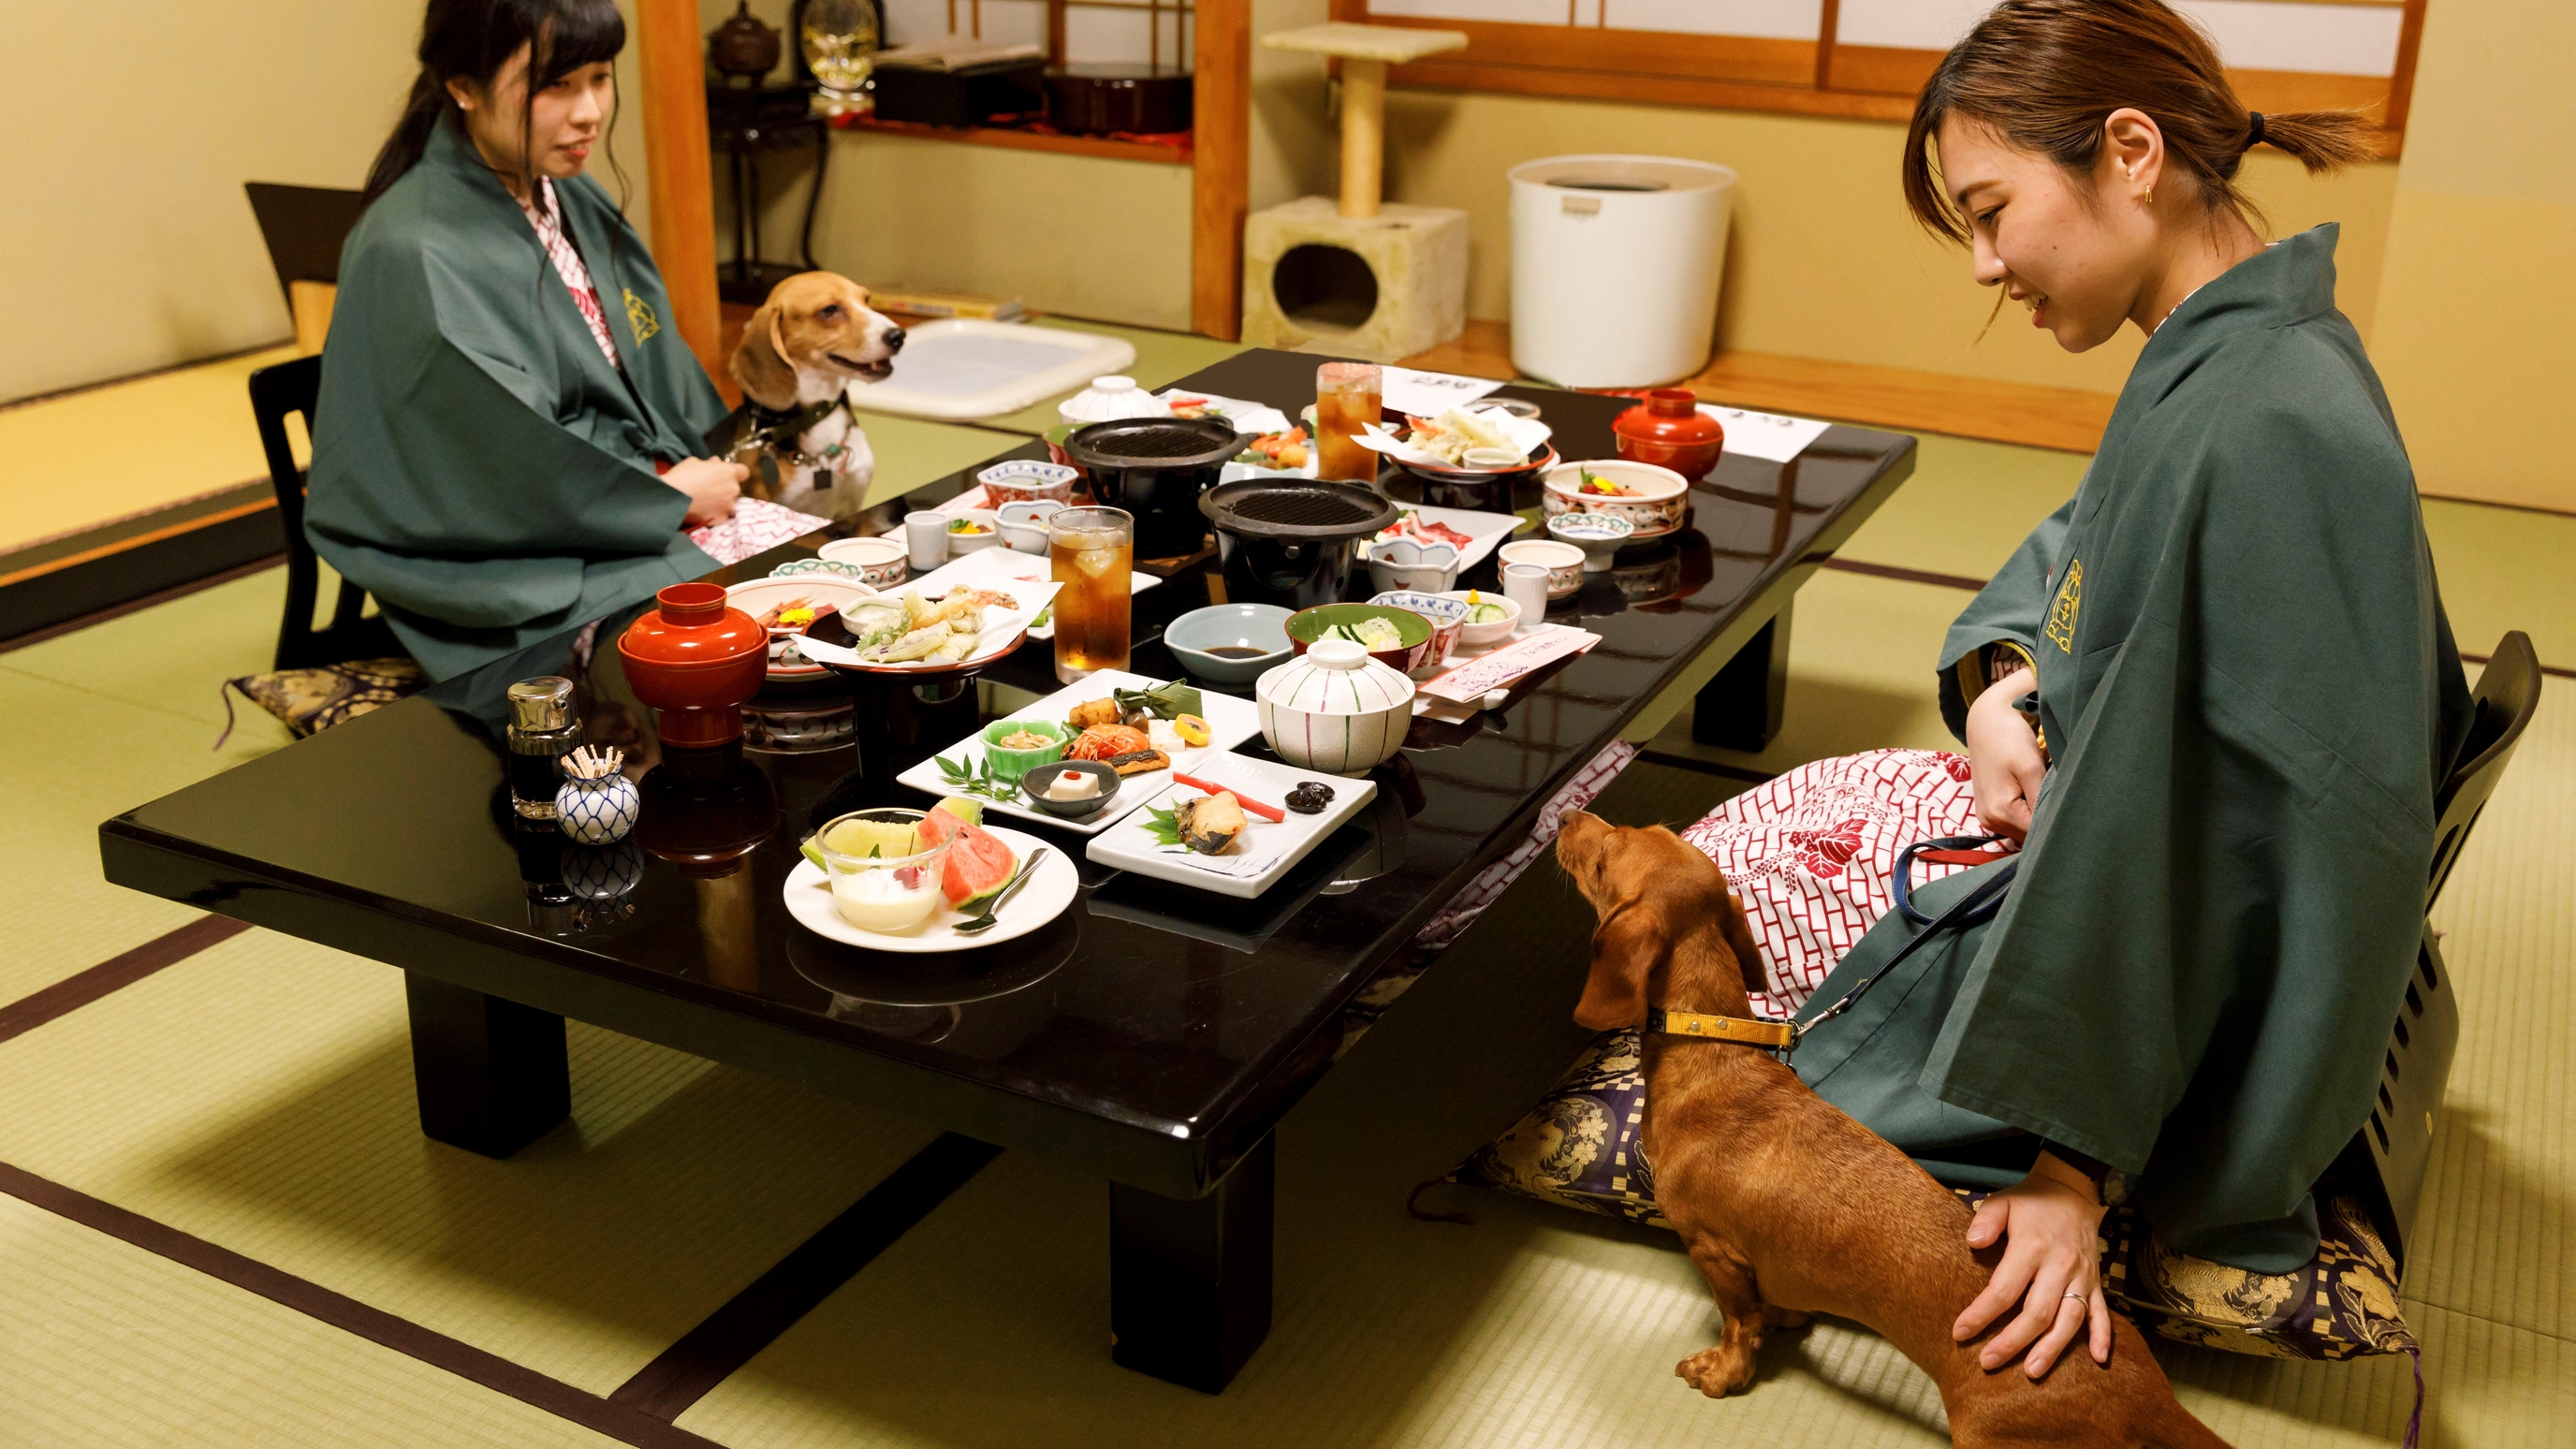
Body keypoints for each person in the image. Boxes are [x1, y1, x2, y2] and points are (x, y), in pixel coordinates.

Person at [1774, 0, 2473, 1383]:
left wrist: (2067, 1152)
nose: (1984, 265)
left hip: (2175, 945)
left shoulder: (2266, 417)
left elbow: (2211, 832)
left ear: (2132, 151)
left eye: (1991, 210)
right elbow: (2085, 548)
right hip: (2108, 838)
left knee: (1745, 922)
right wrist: (2005, 683)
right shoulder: (2232, 343)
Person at [305, 0, 749, 681]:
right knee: (741, 635)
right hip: (520, 557)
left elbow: (645, 363)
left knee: (837, 582)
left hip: (623, 494)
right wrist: (666, 496)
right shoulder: (416, 247)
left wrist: (700, 466)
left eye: (599, 78)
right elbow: (493, 453)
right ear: (463, 86)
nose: (589, 112)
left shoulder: (561, 189)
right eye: (555, 86)